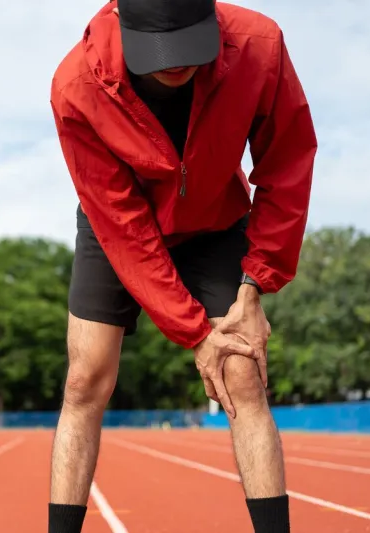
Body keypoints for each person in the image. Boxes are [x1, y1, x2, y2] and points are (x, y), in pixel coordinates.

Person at [48, 0, 317, 531]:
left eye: (189, 45)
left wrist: (255, 284)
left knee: (241, 373)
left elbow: (286, 164)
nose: (176, 64)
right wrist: (197, 333)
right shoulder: (76, 86)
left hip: (214, 215)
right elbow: (125, 229)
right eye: (160, 50)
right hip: (119, 224)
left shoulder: (259, 46)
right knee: (85, 379)